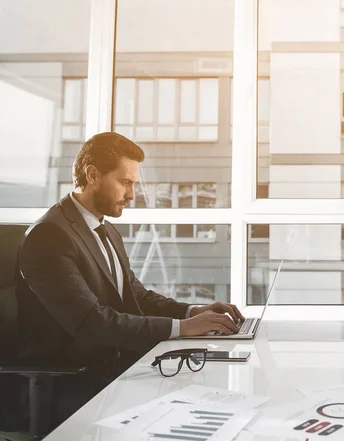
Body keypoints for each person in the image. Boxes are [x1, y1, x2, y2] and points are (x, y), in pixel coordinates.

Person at [16, 132, 244, 424]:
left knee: (216, 398)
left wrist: (192, 312)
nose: (132, 195)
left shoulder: (105, 230)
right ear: (93, 175)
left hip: (116, 369)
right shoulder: (50, 236)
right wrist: (183, 328)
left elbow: (135, 295)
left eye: (133, 184)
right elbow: (92, 322)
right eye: (125, 182)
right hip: (74, 384)